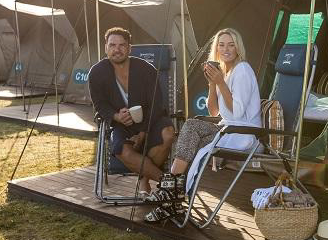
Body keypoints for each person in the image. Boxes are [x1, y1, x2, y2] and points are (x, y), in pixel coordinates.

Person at [145, 28, 261, 222]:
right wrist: (213, 84)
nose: (226, 49)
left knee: (191, 126)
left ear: (238, 48)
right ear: (216, 49)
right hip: (228, 129)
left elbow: (238, 113)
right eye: (221, 45)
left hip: (243, 133)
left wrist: (221, 83)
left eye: (231, 45)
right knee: (191, 138)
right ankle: (172, 202)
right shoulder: (226, 72)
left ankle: (168, 193)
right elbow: (214, 112)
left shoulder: (242, 70)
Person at [88, 27, 174, 195]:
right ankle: (168, 182)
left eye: (122, 45)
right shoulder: (97, 73)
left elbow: (156, 103)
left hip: (150, 119)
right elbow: (100, 104)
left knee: (169, 133)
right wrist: (116, 116)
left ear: (129, 48)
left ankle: (144, 179)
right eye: (112, 45)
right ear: (106, 47)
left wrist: (143, 132)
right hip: (121, 124)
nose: (117, 49)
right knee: (122, 150)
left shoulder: (146, 69)